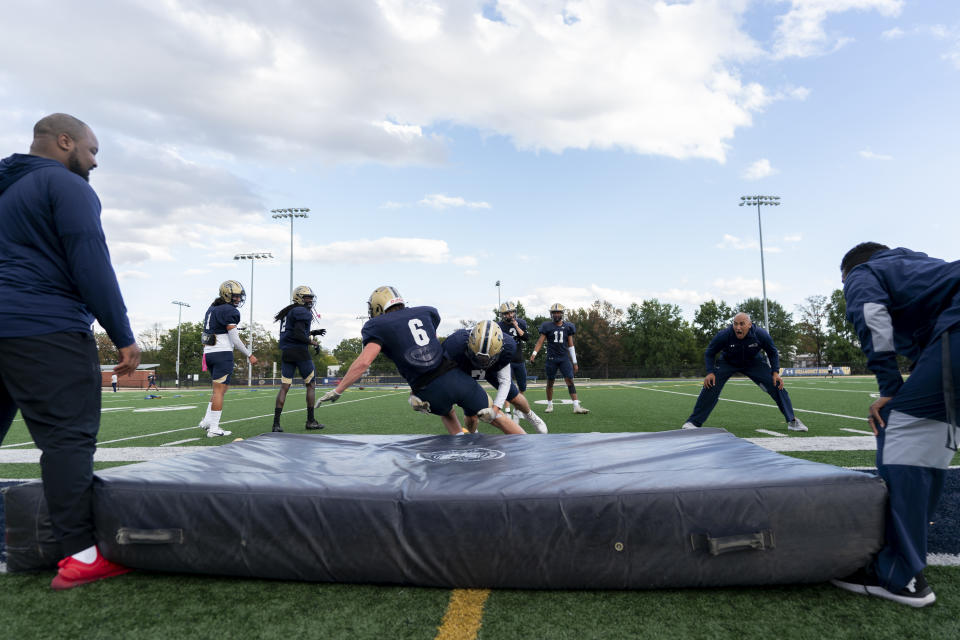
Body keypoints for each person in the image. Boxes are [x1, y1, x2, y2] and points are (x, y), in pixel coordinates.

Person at [0, 113, 141, 589]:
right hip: (44, 328)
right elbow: (90, 259)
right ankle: (80, 554)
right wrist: (122, 332)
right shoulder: (67, 186)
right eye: (93, 150)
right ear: (66, 142)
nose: (95, 161)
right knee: (66, 438)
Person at [829, 243, 959, 608]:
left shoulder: (862, 272)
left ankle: (897, 574)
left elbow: (871, 314)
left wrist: (890, 387)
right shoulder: (917, 266)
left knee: (905, 430)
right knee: (931, 432)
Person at [316, 286, 525, 435]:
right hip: (454, 376)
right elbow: (432, 344)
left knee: (447, 412)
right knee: (499, 419)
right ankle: (530, 455)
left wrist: (338, 390)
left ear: (378, 307)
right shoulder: (426, 312)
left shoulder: (377, 325)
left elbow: (363, 363)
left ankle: (461, 448)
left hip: (426, 389)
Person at [681, 313, 807, 432]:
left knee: (776, 385)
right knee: (710, 384)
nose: (738, 327)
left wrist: (775, 372)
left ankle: (792, 421)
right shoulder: (724, 335)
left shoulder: (760, 334)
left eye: (742, 324)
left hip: (753, 362)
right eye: (735, 324)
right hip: (728, 362)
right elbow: (709, 352)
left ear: (749, 325)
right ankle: (693, 422)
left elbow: (772, 352)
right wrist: (710, 372)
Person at [443, 320, 548, 434]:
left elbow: (505, 382)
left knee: (515, 397)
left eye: (485, 358)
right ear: (469, 343)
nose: (482, 362)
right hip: (466, 369)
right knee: (471, 414)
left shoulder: (507, 347)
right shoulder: (455, 344)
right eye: (478, 356)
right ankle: (473, 437)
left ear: (500, 349)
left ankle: (530, 416)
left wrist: (495, 409)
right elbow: (444, 372)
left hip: (492, 369)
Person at [196, 280, 258, 438]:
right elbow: (235, 340)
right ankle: (214, 429)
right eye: (235, 296)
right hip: (222, 354)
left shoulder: (212, 308)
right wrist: (249, 354)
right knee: (219, 391)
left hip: (209, 353)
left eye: (239, 296)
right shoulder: (229, 310)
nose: (238, 299)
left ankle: (207, 421)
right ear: (226, 295)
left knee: (220, 389)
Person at [272, 285, 324, 432]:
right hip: (300, 352)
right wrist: (312, 342)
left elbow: (293, 331)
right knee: (311, 385)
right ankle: (311, 421)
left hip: (287, 352)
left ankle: (276, 424)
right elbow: (298, 334)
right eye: (306, 297)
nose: (309, 300)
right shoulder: (302, 311)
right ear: (299, 297)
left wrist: (313, 332)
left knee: (284, 387)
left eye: (310, 297)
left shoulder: (288, 312)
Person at [529, 303, 589, 414]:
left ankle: (576, 406)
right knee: (550, 382)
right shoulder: (547, 326)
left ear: (562, 313)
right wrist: (534, 353)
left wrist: (575, 362)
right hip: (551, 358)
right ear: (551, 314)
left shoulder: (568, 327)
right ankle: (550, 405)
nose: (556, 314)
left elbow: (571, 345)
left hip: (564, 358)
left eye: (558, 312)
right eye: (554, 312)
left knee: (570, 381)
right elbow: (540, 341)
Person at [497, 301, 529, 414]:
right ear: (502, 315)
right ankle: (507, 409)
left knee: (522, 385)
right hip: (506, 360)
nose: (510, 315)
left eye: (512, 312)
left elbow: (526, 338)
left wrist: (516, 326)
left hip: (519, 358)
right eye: (507, 313)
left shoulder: (520, 323)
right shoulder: (499, 326)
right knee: (506, 384)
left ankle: (518, 408)